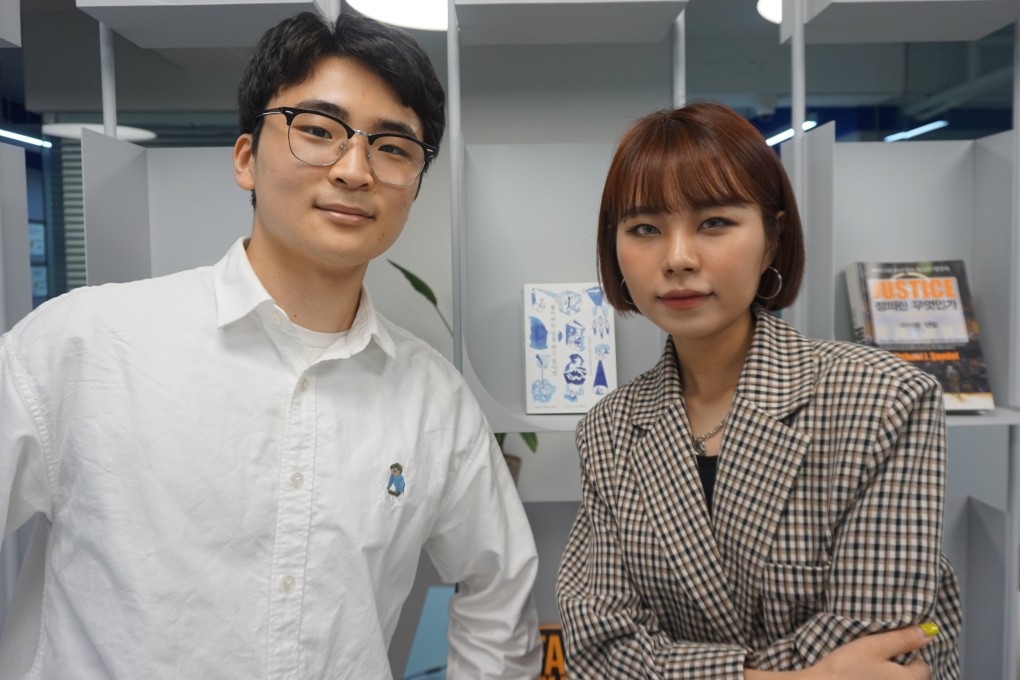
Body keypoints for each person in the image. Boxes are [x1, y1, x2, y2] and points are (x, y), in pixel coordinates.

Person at [0, 9, 540, 678]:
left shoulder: (433, 400)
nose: (355, 169)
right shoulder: (86, 343)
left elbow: (499, 593)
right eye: (317, 130)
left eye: (393, 148)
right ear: (246, 159)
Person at [556, 102, 961, 679]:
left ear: (772, 239)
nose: (677, 258)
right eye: (644, 228)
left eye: (714, 222)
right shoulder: (610, 429)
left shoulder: (885, 400)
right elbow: (597, 650)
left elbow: (881, 642)